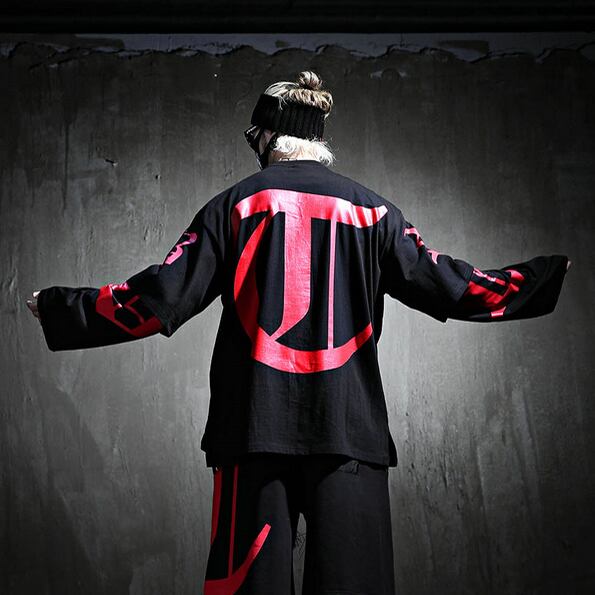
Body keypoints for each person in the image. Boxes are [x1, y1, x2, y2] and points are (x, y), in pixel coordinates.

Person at [27, 71, 571, 595]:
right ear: (318, 140)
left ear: (266, 137)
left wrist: (60, 307)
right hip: (349, 433)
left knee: (247, 587)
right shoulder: (374, 212)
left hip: (252, 432)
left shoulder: (233, 206)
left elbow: (156, 299)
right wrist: (540, 278)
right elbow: (451, 285)